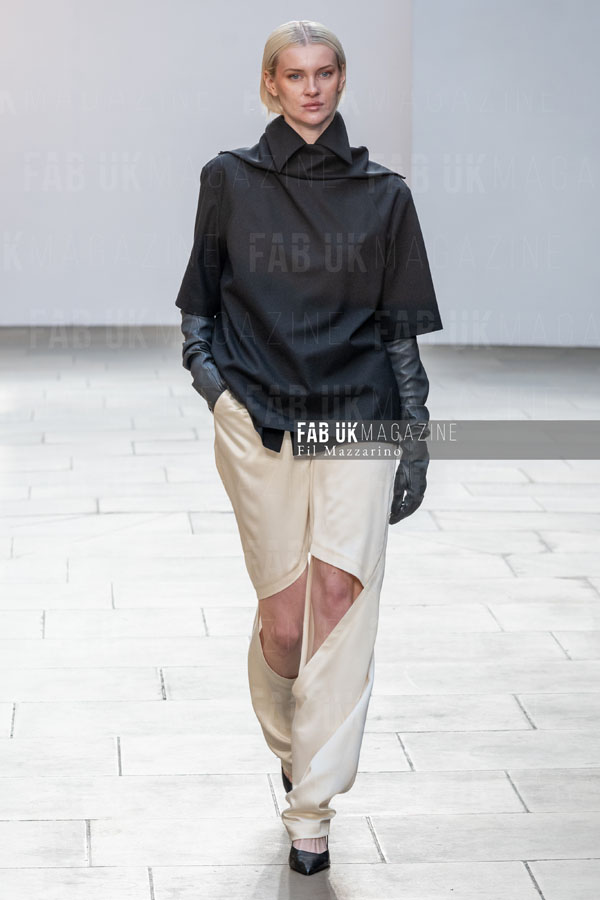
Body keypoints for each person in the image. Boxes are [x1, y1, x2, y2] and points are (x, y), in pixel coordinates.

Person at [175, 20, 443, 876]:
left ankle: (312, 806)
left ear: (341, 80)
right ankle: (298, 746)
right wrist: (215, 389)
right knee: (286, 625)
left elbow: (400, 332)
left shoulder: (384, 195)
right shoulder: (228, 179)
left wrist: (414, 438)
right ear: (271, 85)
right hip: (258, 414)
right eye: (294, 75)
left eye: (325, 73)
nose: (312, 88)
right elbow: (197, 307)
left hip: (358, 413)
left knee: (339, 598)